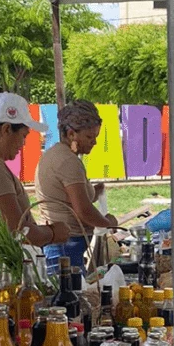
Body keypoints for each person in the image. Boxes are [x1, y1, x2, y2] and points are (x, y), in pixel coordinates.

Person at [0, 92, 69, 315]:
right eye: (24, 135)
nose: (23, 144)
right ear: (6, 129)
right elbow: (20, 232)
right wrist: (54, 233)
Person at [35, 100, 117, 274]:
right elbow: (83, 210)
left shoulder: (57, 154)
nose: (93, 142)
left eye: (95, 137)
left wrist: (94, 191)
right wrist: (108, 223)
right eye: (89, 137)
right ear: (71, 133)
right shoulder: (68, 161)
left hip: (65, 244)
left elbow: (70, 197)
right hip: (65, 246)